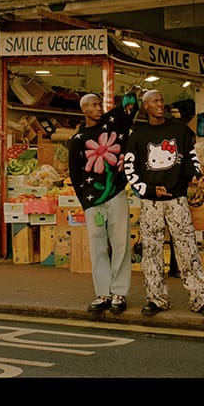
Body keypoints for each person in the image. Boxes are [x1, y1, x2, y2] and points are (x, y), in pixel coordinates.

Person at [122, 89, 204, 318]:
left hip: (177, 199)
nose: (159, 104)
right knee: (151, 251)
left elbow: (190, 158)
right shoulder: (137, 135)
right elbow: (130, 169)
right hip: (150, 202)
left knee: (187, 248)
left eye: (161, 100)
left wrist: (196, 175)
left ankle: (200, 298)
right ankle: (156, 298)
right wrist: (149, 189)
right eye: (154, 101)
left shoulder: (179, 130)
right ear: (145, 106)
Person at [67, 92, 135, 314]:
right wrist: (85, 202)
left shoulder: (112, 126)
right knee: (97, 246)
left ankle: (119, 292)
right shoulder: (77, 141)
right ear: (84, 110)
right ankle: (103, 292)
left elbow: (130, 106)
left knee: (120, 244)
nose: (98, 108)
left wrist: (131, 95)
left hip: (115, 193)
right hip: (92, 201)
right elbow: (76, 175)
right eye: (93, 105)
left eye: (99, 104)